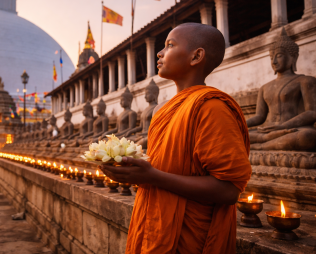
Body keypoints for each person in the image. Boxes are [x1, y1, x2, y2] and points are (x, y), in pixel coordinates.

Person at [99, 23, 251, 254]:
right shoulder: (162, 110)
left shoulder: (212, 107)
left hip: (189, 237)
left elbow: (229, 190)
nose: (160, 53)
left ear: (196, 56)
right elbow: (163, 166)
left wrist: (152, 176)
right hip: (154, 223)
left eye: (169, 45)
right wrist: (131, 170)